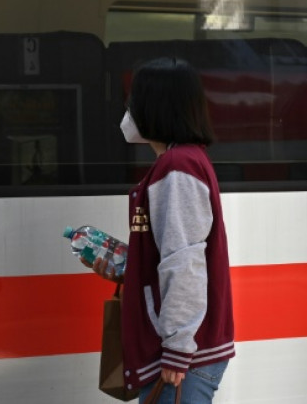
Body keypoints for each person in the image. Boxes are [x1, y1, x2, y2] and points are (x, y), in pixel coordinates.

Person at [83, 57, 234, 403]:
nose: (128, 110)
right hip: (184, 354)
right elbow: (172, 252)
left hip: (185, 359)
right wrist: (130, 267)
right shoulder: (181, 162)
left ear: (155, 107)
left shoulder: (177, 168)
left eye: (133, 101)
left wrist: (178, 349)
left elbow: (185, 262)